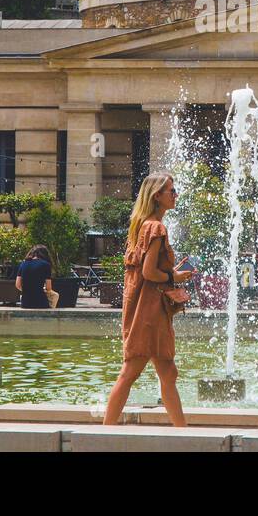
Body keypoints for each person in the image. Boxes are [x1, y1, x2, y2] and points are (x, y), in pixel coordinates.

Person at [103, 173, 196, 426]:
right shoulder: (155, 227)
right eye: (171, 191)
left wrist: (171, 276)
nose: (175, 195)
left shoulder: (141, 225)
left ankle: (183, 432)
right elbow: (149, 272)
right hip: (149, 311)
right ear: (157, 196)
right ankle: (104, 433)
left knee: (168, 372)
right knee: (131, 371)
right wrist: (174, 276)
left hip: (148, 308)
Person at [14, 245, 53, 309]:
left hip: (25, 303)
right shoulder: (46, 265)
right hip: (41, 302)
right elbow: (48, 288)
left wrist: (28, 291)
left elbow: (18, 285)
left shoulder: (23, 264)